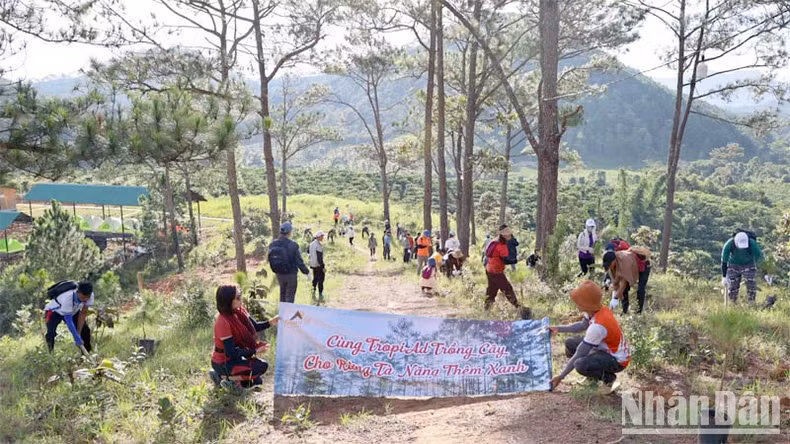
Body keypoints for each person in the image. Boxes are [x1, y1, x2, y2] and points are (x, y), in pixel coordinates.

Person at [548, 280, 630, 391]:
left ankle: (609, 379)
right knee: (570, 343)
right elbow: (581, 326)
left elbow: (580, 353)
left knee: (580, 364)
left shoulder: (598, 326)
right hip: (604, 349)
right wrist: (558, 329)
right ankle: (593, 377)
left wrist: (561, 376)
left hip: (617, 360)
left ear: (585, 304)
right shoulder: (596, 310)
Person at [209, 285, 279, 388]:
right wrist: (255, 351)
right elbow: (231, 352)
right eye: (237, 297)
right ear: (228, 301)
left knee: (257, 379)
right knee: (259, 369)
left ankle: (234, 380)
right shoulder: (223, 321)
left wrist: (272, 322)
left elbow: (254, 327)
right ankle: (221, 376)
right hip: (224, 362)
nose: (241, 299)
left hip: (236, 357)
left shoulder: (240, 311)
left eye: (240, 295)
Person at [483, 225, 531, 319]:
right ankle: (521, 310)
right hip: (496, 272)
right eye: (508, 235)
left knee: (491, 291)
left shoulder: (494, 242)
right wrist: (518, 259)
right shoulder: (501, 246)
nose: (509, 237)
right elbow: (507, 260)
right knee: (507, 289)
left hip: (489, 270)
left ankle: (486, 311)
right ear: (503, 236)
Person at [44, 281, 94, 354]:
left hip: (73, 311)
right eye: (83, 297)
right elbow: (69, 321)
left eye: (87, 297)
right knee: (51, 334)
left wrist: (79, 333)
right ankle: (50, 354)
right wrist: (76, 336)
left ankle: (85, 356)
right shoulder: (68, 298)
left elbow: (83, 313)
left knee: (85, 331)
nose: (85, 300)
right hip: (55, 311)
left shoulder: (90, 296)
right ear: (78, 292)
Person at [268, 222, 310, 303]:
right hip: (291, 275)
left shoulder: (273, 244)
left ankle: (282, 313)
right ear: (290, 232)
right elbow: (299, 262)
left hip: (279, 273)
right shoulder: (293, 245)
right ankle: (288, 314)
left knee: (282, 295)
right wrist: (307, 272)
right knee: (289, 298)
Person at [602, 246, 651, 314]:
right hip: (632, 267)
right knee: (624, 291)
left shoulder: (624, 262)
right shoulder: (612, 265)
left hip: (644, 266)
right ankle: (624, 311)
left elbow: (623, 283)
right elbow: (615, 282)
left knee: (640, 289)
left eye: (609, 264)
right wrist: (614, 295)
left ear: (614, 260)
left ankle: (638, 312)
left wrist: (615, 298)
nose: (609, 266)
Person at [721, 230, 764, 303]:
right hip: (733, 264)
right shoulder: (729, 244)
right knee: (732, 285)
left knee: (751, 282)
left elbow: (760, 259)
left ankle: (751, 302)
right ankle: (732, 302)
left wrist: (765, 273)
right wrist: (724, 276)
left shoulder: (752, 244)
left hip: (748, 264)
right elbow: (724, 260)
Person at [308, 232, 327, 305]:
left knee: (315, 277)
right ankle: (320, 293)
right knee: (321, 279)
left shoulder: (311, 244)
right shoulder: (318, 245)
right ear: (318, 237)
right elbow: (319, 258)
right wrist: (323, 266)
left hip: (313, 264)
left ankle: (313, 289)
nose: (323, 238)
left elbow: (308, 252)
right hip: (318, 265)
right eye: (322, 236)